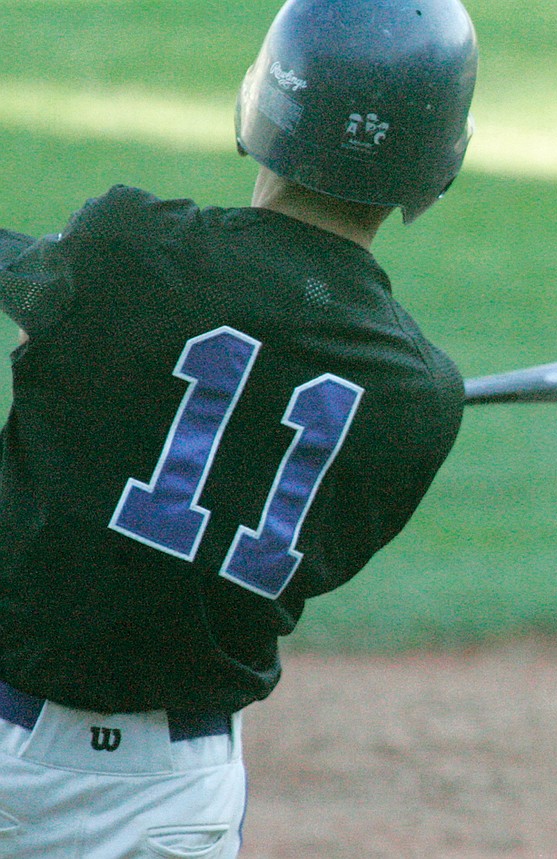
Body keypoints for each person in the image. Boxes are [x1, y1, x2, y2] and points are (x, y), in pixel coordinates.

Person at [0, 0, 477, 854]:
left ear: (268, 98)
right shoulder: (422, 400)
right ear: (436, 160)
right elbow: (309, 561)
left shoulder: (129, 248)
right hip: (174, 796)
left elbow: (45, 301)